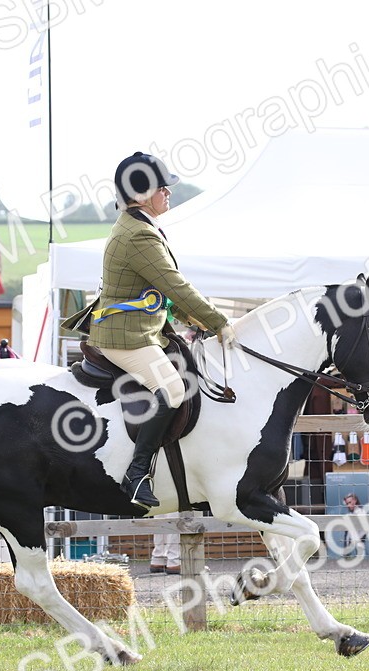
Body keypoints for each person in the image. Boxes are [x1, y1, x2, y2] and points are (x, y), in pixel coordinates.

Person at [89, 151, 238, 520]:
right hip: (124, 337)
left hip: (144, 330)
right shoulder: (138, 233)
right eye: (162, 186)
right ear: (142, 194)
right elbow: (175, 285)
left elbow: (158, 293)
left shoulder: (140, 223)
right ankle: (137, 475)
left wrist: (194, 321)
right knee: (173, 388)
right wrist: (219, 322)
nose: (169, 191)